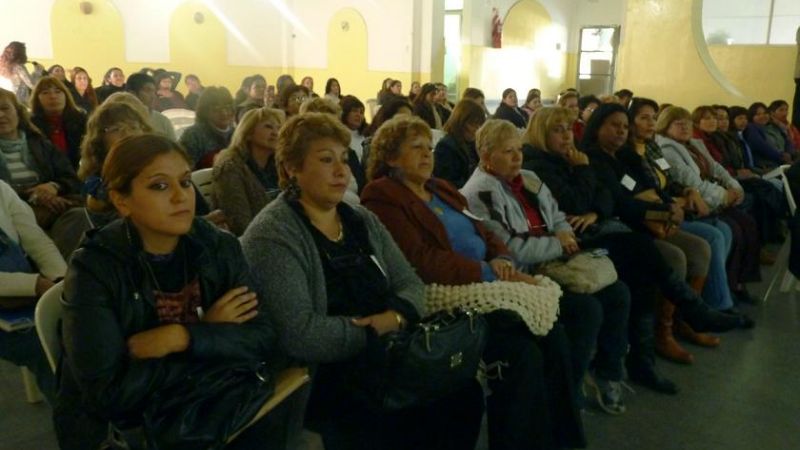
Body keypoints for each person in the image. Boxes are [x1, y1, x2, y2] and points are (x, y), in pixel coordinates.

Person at [240, 112, 484, 450]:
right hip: (326, 375)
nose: (342, 171)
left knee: (463, 393)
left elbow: (411, 284)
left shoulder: (360, 220)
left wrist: (395, 317)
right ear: (292, 167)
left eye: (344, 159)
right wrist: (373, 332)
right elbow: (300, 335)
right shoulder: (273, 235)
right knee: (417, 417)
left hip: (387, 357)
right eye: (326, 160)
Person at [361, 115, 586, 449]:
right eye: (416, 148)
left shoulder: (440, 188)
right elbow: (421, 261)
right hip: (447, 297)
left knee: (553, 335)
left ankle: (563, 439)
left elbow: (484, 231)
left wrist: (503, 258)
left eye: (429, 148)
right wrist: (489, 270)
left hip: (486, 283)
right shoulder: (382, 196)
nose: (427, 155)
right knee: (523, 355)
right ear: (391, 157)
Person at [56, 133, 283, 450]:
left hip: (208, 405)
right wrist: (214, 339)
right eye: (160, 186)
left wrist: (184, 337)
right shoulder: (93, 269)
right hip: (130, 431)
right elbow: (108, 394)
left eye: (185, 182)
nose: (181, 197)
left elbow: (264, 336)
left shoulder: (216, 245)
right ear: (121, 200)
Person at [522, 106, 743, 393]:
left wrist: (597, 211)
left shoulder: (577, 158)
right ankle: (687, 315)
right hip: (571, 240)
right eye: (557, 130)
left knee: (645, 269)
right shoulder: (544, 165)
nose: (566, 136)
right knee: (644, 251)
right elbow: (580, 201)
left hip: (598, 227)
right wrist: (585, 175)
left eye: (568, 129)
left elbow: (604, 197)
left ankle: (645, 357)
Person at [461, 118, 631, 415]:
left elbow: (557, 216)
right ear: (486, 156)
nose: (518, 157)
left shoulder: (529, 178)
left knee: (618, 293)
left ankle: (607, 373)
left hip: (554, 261)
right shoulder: (479, 193)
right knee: (586, 310)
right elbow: (509, 248)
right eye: (508, 152)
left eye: (519, 149)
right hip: (524, 274)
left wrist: (565, 234)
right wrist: (559, 244)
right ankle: (567, 393)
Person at [656, 106, 763, 309]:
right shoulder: (667, 150)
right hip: (695, 207)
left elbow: (716, 168)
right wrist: (724, 196)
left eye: (688, 123)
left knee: (743, 224)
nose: (685, 127)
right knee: (722, 232)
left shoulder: (693, 145)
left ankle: (729, 287)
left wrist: (734, 188)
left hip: (710, 199)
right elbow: (692, 183)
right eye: (679, 124)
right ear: (665, 126)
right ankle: (720, 301)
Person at [0, 179, 64, 403]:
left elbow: (37, 241)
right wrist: (34, 284)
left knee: (87, 331)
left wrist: (61, 280)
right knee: (46, 349)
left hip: (25, 298)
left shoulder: (1, 189)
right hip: (19, 299)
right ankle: (80, 420)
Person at [0, 88, 81, 228]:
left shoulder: (42, 145)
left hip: (53, 207)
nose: (0, 115)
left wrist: (54, 186)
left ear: (18, 112)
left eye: (5, 108)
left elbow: (71, 178)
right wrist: (34, 196)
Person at [213, 107, 284, 236]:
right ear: (248, 133)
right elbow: (239, 222)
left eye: (278, 128)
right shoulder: (230, 168)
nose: (276, 133)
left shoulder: (278, 163)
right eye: (268, 127)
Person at [29, 76, 87, 169]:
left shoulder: (81, 120)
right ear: (37, 99)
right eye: (45, 93)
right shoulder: (30, 125)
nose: (53, 96)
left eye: (58, 91)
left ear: (66, 95)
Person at [432, 99, 486, 188]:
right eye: (473, 124)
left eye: (479, 125)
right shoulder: (446, 147)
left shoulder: (471, 143)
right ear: (460, 122)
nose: (477, 129)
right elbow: (448, 183)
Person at [179, 86, 235, 169]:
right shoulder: (193, 135)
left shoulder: (238, 133)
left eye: (228, 107)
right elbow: (184, 168)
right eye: (216, 109)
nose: (224, 113)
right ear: (204, 111)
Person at [125, 72, 175, 140]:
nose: (153, 96)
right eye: (148, 91)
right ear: (132, 94)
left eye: (154, 91)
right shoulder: (120, 120)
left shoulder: (162, 121)